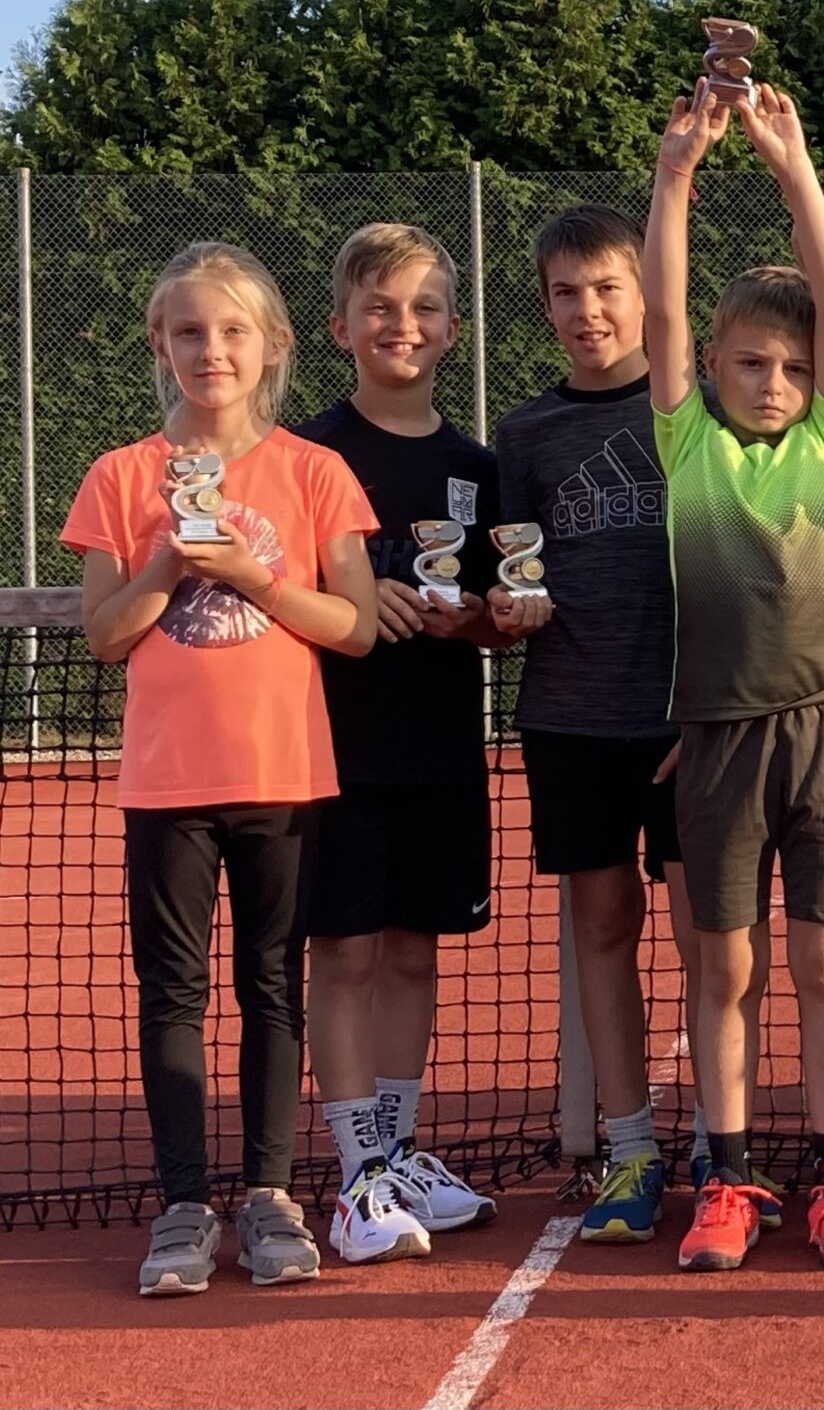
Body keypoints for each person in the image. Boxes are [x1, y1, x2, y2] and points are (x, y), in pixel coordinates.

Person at [65, 243, 377, 1297]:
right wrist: (169, 557)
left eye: (233, 330)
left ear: (273, 345)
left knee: (273, 986)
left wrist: (251, 573)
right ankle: (185, 1204)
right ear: (159, 344)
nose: (213, 350)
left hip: (284, 776)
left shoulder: (314, 472)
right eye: (190, 331)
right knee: (172, 993)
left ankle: (271, 1197)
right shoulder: (119, 477)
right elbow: (105, 635)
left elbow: (355, 626)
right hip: (166, 783)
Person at [644, 81, 824, 1273]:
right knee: (724, 969)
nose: (774, 380)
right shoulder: (685, 441)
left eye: (791, 365)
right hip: (718, 738)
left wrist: (795, 168)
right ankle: (726, 1179)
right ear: (712, 368)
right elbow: (661, 309)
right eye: (748, 362)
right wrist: (677, 172)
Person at [496, 206, 756, 1247]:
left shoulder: (705, 412)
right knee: (602, 930)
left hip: (696, 725)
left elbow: (749, 572)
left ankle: (719, 1146)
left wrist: (714, 703)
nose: (588, 310)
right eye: (566, 292)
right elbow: (508, 573)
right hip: (572, 722)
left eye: (607, 288)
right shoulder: (525, 436)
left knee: (709, 943)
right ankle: (633, 1145)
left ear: (645, 298)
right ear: (545, 306)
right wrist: (503, 610)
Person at [300, 224, 502, 1265]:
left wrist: (481, 619)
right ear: (340, 327)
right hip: (330, 748)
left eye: (424, 307)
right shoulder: (302, 455)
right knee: (343, 952)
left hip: (440, 745)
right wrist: (350, 599)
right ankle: (355, 1174)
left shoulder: (476, 467)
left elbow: (502, 603)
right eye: (380, 307)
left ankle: (396, 1151)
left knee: (416, 951)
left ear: (453, 329)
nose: (403, 325)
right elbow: (275, 587)